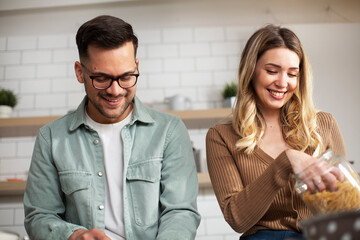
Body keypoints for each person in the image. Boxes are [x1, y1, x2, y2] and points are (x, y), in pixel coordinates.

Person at [24, 15, 200, 240]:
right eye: (102, 78)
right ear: (80, 72)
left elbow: (180, 212)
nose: (115, 90)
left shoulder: (169, 131)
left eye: (126, 77)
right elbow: (39, 216)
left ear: (137, 67)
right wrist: (75, 236)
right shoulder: (51, 138)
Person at [206, 24, 346, 239]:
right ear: (250, 70)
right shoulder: (221, 137)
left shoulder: (323, 124)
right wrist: (284, 163)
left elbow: (343, 206)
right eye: (272, 71)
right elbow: (237, 219)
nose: (282, 83)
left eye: (292, 74)